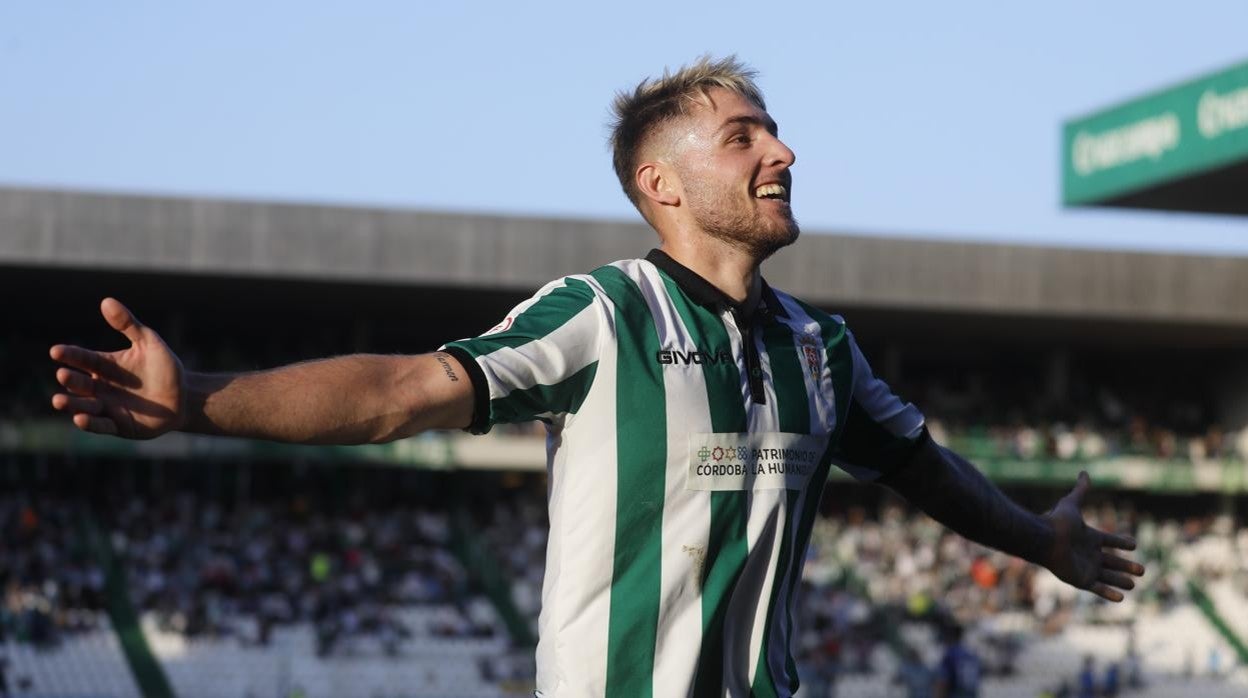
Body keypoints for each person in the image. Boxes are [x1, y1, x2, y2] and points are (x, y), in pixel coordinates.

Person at [49, 56, 1145, 697]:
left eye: (778, 130)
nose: (784, 152)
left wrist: (1040, 538)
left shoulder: (823, 347)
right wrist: (198, 398)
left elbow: (924, 468)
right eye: (744, 135)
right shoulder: (605, 312)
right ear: (661, 183)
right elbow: (401, 392)